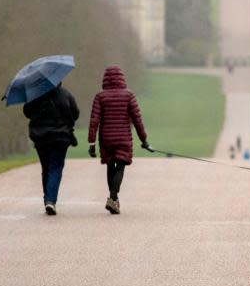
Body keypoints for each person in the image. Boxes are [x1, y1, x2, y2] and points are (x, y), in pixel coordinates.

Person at [88, 65, 153, 215]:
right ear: (122, 78)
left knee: (110, 165)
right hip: (123, 138)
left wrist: (91, 143)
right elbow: (137, 120)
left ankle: (114, 199)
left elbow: (94, 121)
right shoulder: (129, 95)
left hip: (106, 138)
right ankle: (113, 197)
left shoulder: (100, 96)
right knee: (121, 166)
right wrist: (144, 140)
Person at [22, 82, 79, 216]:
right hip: (61, 137)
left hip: (40, 137)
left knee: (46, 168)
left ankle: (47, 199)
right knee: (55, 167)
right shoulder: (66, 94)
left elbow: (27, 112)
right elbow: (75, 113)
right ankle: (50, 200)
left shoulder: (35, 94)